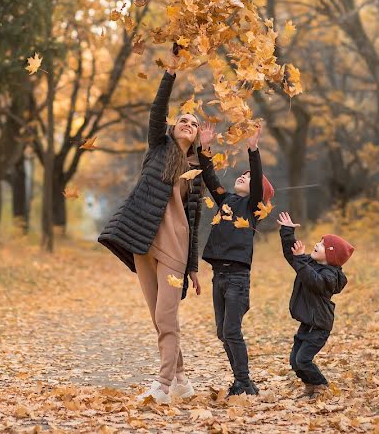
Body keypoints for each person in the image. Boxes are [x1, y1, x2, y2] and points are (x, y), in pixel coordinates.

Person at [98, 51, 203, 405]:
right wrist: (170, 73)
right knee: (159, 319)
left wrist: (193, 267)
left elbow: (195, 220)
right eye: (183, 119)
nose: (187, 123)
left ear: (199, 135)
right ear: (174, 127)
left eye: (194, 122)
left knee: (166, 316)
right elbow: (157, 111)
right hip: (143, 244)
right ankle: (182, 380)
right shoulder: (159, 149)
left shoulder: (196, 170)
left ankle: (161, 384)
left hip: (174, 250)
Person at [197, 122, 273, 397]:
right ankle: (245, 383)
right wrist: (205, 149)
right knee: (222, 333)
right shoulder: (226, 200)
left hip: (238, 279)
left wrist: (253, 150)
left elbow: (257, 186)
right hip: (220, 276)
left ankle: (242, 382)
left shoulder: (252, 208)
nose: (243, 177)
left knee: (231, 331)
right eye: (242, 174)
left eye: (250, 177)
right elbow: (210, 179)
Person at [276, 211, 354, 397]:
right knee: (295, 361)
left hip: (319, 325)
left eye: (322, 245)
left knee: (303, 359)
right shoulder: (309, 263)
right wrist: (287, 232)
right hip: (308, 323)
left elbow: (314, 282)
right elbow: (292, 256)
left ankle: (321, 385)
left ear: (331, 256)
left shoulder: (331, 276)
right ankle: (310, 387)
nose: (316, 245)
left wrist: (302, 260)